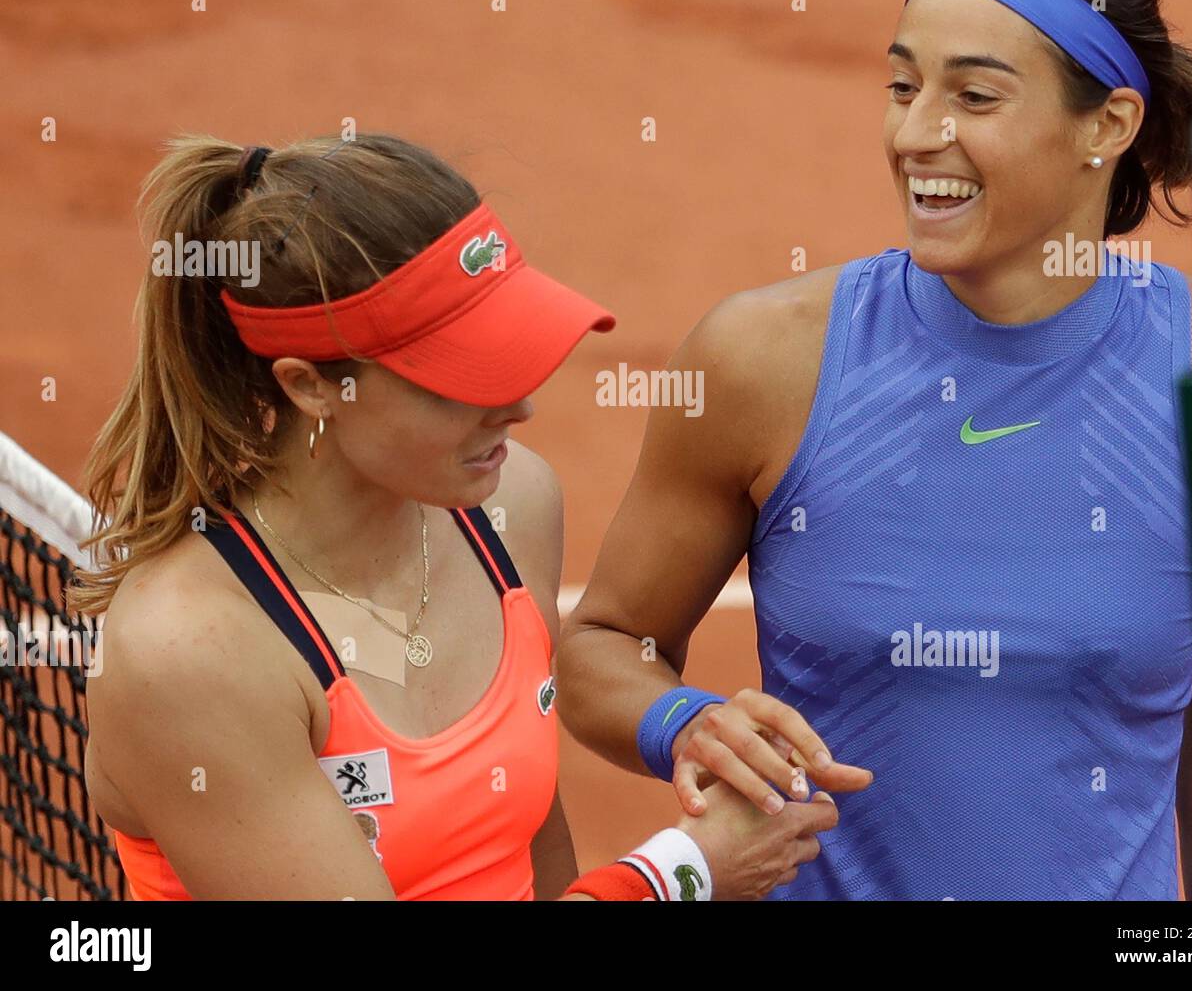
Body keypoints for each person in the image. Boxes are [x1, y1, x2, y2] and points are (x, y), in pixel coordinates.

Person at [558, 0, 1192, 900]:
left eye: (974, 96)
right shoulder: (766, 360)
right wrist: (679, 720)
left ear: (1108, 127)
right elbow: (605, 646)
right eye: (903, 87)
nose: (914, 135)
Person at [74, 133, 838, 901]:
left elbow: (528, 832)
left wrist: (681, 724)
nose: (517, 406)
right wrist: (682, 875)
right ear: (310, 386)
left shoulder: (510, 508)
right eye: (456, 378)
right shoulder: (190, 651)